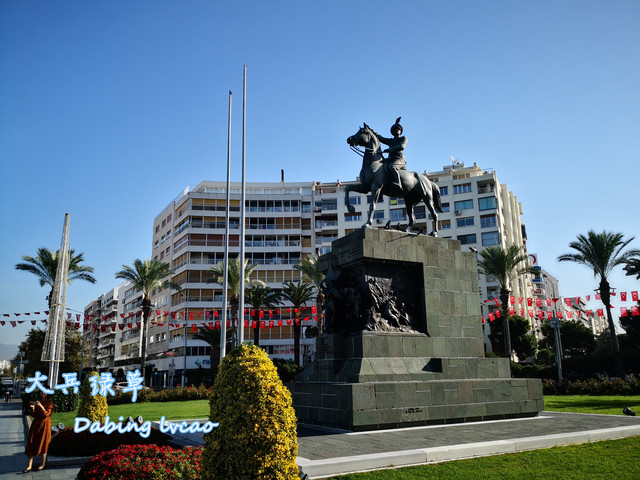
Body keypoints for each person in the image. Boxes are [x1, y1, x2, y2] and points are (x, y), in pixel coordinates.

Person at [370, 117, 408, 188]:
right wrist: (371, 131)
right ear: (392, 132)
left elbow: (401, 147)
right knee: (379, 167)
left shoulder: (403, 138)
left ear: (400, 131)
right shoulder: (390, 141)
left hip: (399, 159)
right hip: (390, 159)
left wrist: (390, 150)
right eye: (395, 129)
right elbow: (380, 138)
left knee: (392, 167)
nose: (397, 130)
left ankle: (398, 182)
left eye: (398, 129)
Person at [24, 390, 54, 472]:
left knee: (43, 443)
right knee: (31, 442)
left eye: (44, 391)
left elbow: (47, 414)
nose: (42, 393)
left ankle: (42, 464)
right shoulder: (38, 401)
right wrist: (33, 409)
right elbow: (34, 415)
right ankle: (29, 465)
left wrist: (41, 407)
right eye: (41, 391)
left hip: (44, 425)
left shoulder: (50, 403)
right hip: (36, 424)